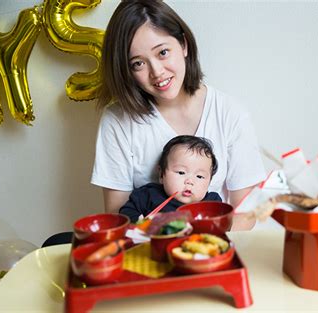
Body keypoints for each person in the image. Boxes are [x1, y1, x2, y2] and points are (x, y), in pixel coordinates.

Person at [91, 0, 265, 230]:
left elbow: (246, 215)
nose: (157, 72)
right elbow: (118, 217)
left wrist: (193, 240)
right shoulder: (117, 121)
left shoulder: (230, 113)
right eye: (138, 64)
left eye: (163, 52)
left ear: (183, 44)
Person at [119, 135, 222, 223]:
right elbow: (126, 214)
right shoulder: (147, 195)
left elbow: (224, 223)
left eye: (199, 176)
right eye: (181, 172)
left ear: (209, 181)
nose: (189, 181)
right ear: (161, 174)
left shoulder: (212, 202)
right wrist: (140, 222)